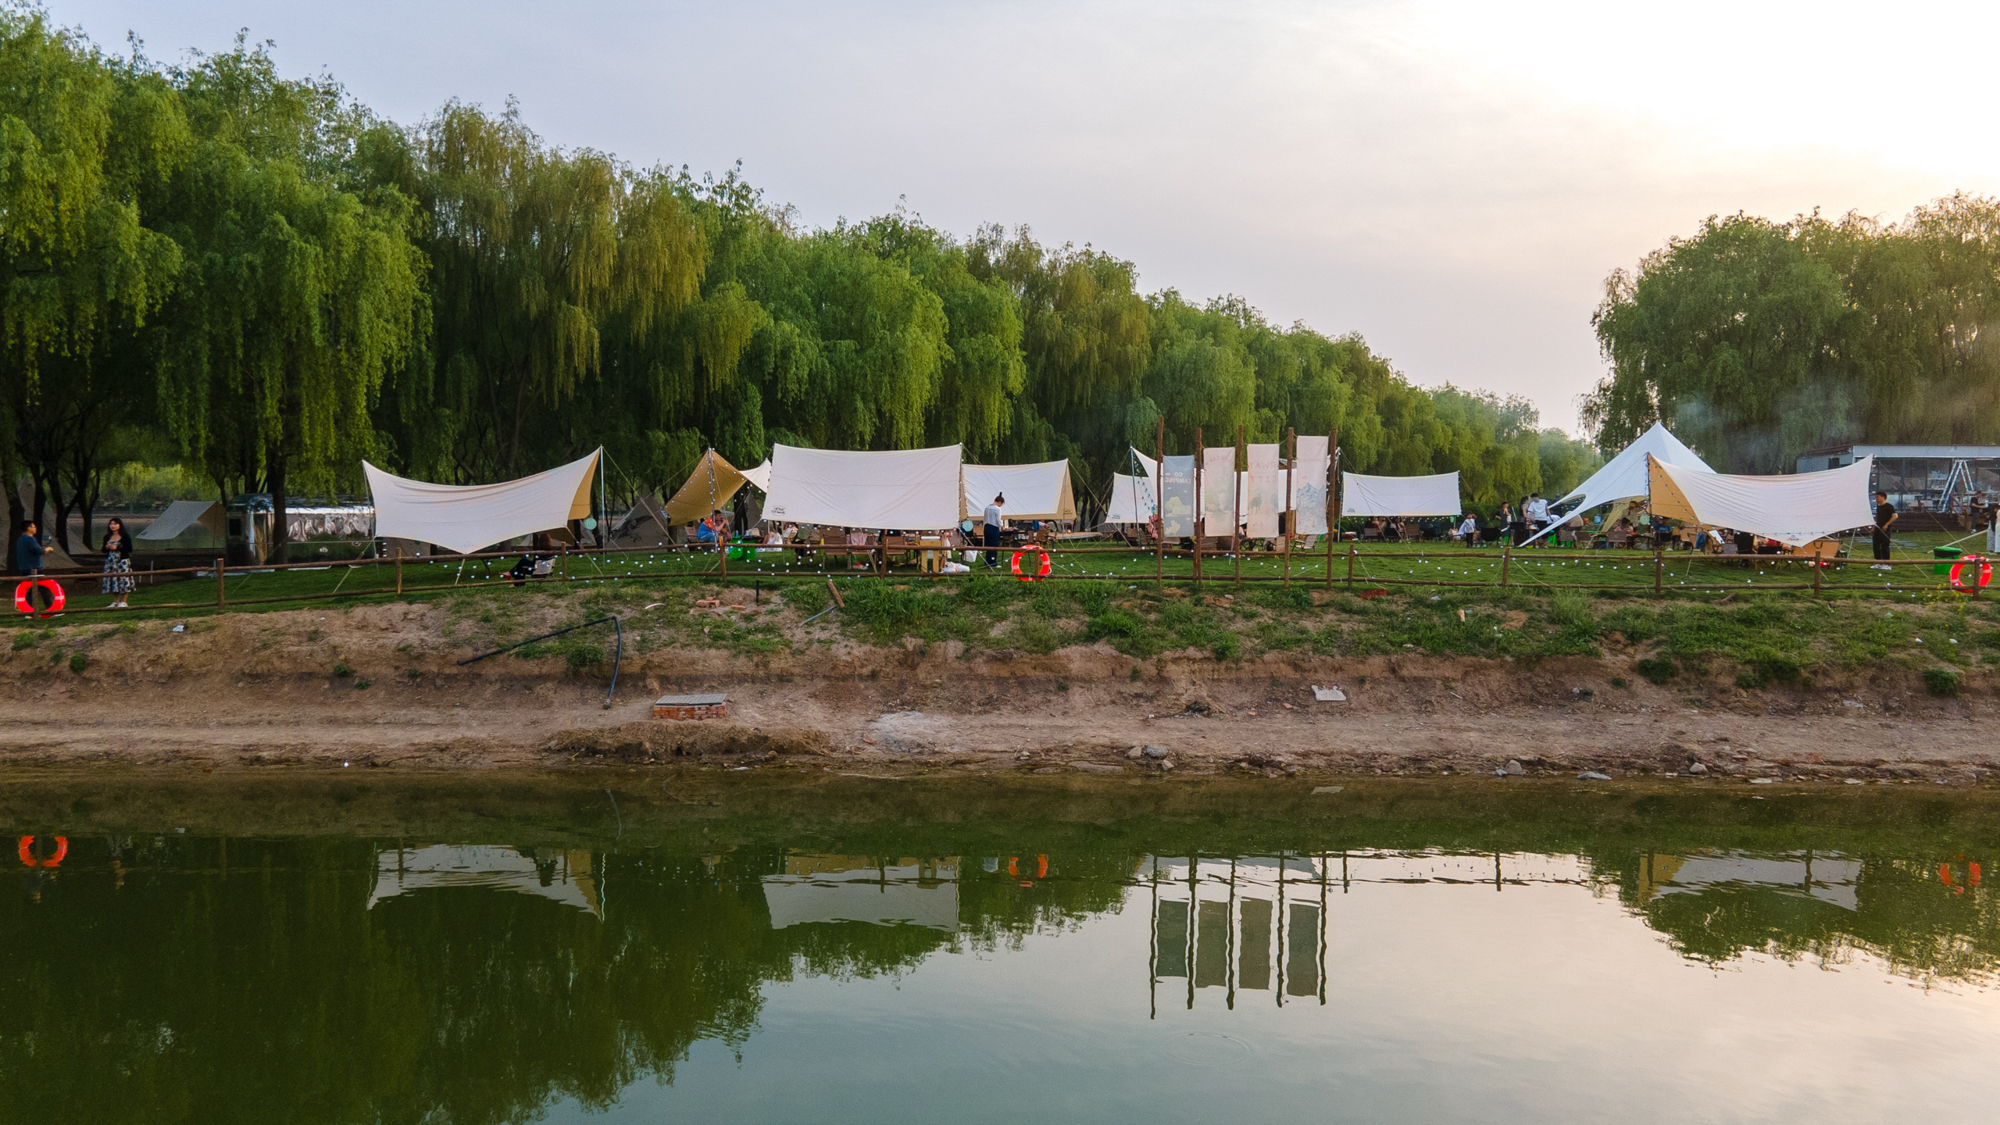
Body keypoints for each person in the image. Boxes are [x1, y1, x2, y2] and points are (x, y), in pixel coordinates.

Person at [100, 516, 134, 608]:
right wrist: (106, 547)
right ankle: (115, 601)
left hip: (122, 562)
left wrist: (117, 548)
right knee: (113, 580)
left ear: (120, 525)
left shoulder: (125, 536)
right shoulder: (107, 537)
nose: (113, 526)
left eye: (115, 524)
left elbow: (129, 549)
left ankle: (124, 601)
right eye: (111, 524)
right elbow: (103, 550)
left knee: (124, 580)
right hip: (111, 562)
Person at [1872, 490, 1897, 569]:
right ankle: (1878, 562)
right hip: (1877, 529)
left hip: (1885, 530)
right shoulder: (1878, 507)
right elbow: (1878, 519)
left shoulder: (1889, 506)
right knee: (1876, 546)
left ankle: (1887, 564)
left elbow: (1895, 516)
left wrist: (1886, 524)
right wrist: (1873, 528)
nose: (1876, 498)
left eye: (1877, 497)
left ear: (1883, 497)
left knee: (1884, 546)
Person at [982, 493, 1005, 567]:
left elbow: (985, 518)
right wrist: (1002, 526)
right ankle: (993, 562)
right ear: (1000, 502)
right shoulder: (997, 509)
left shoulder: (987, 508)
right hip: (994, 527)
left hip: (987, 527)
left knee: (988, 545)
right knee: (994, 545)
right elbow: (998, 520)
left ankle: (987, 561)